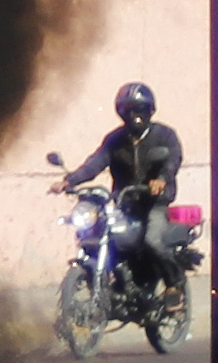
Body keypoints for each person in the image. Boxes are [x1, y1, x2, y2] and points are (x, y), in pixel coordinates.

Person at [65, 81, 191, 280]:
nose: (135, 115)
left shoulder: (165, 136)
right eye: (128, 110)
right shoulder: (115, 140)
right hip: (125, 205)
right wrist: (70, 181)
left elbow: (173, 161)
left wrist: (161, 180)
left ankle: (173, 283)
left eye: (140, 109)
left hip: (154, 205)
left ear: (150, 110)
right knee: (103, 236)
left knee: (152, 241)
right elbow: (96, 162)